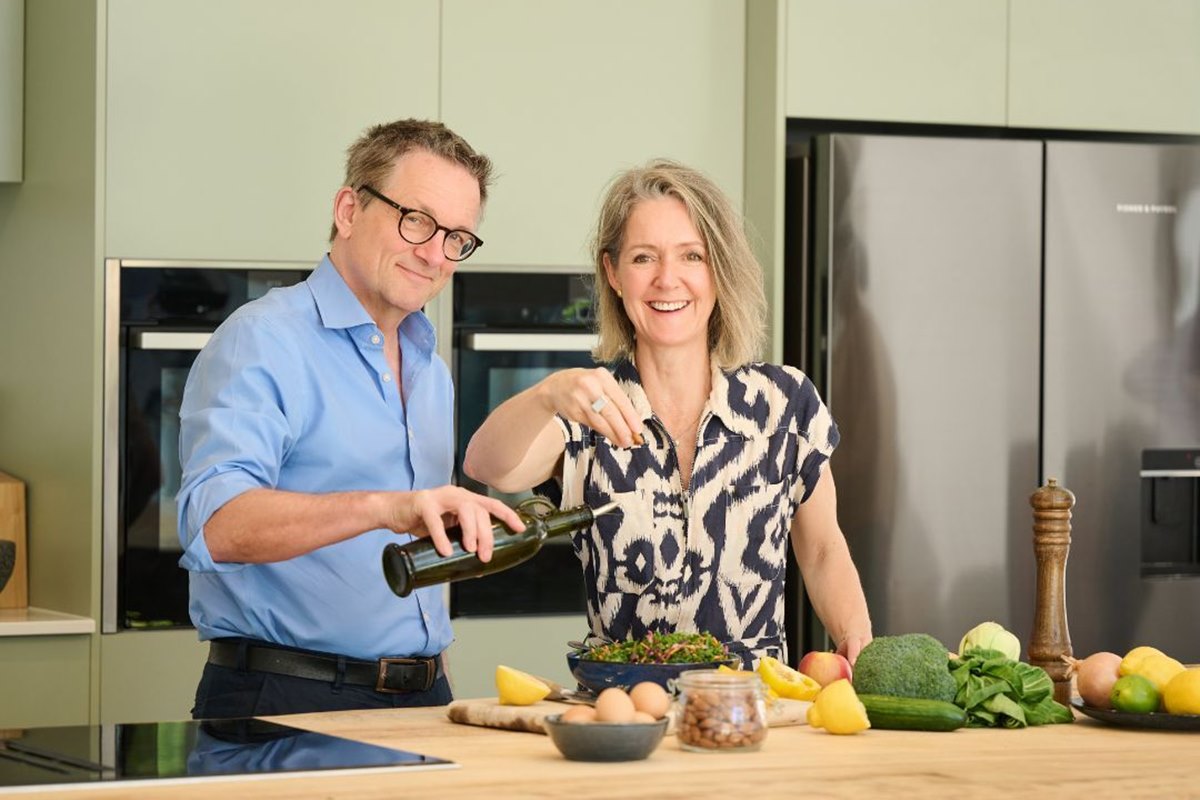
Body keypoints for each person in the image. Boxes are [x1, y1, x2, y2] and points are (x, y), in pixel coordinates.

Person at [176, 119, 525, 718]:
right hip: (287, 698)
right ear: (348, 209)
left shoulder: (428, 367)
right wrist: (385, 507)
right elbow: (216, 526)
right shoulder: (263, 340)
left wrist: (432, 670)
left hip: (422, 698)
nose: (434, 253)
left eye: (457, 237)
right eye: (416, 220)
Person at [463, 159, 873, 667]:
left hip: (753, 713)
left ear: (718, 269)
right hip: (626, 716)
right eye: (643, 258)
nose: (667, 280)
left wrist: (856, 638)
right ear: (613, 273)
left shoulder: (783, 403)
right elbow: (486, 465)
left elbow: (822, 550)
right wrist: (547, 393)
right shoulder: (590, 407)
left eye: (691, 256)